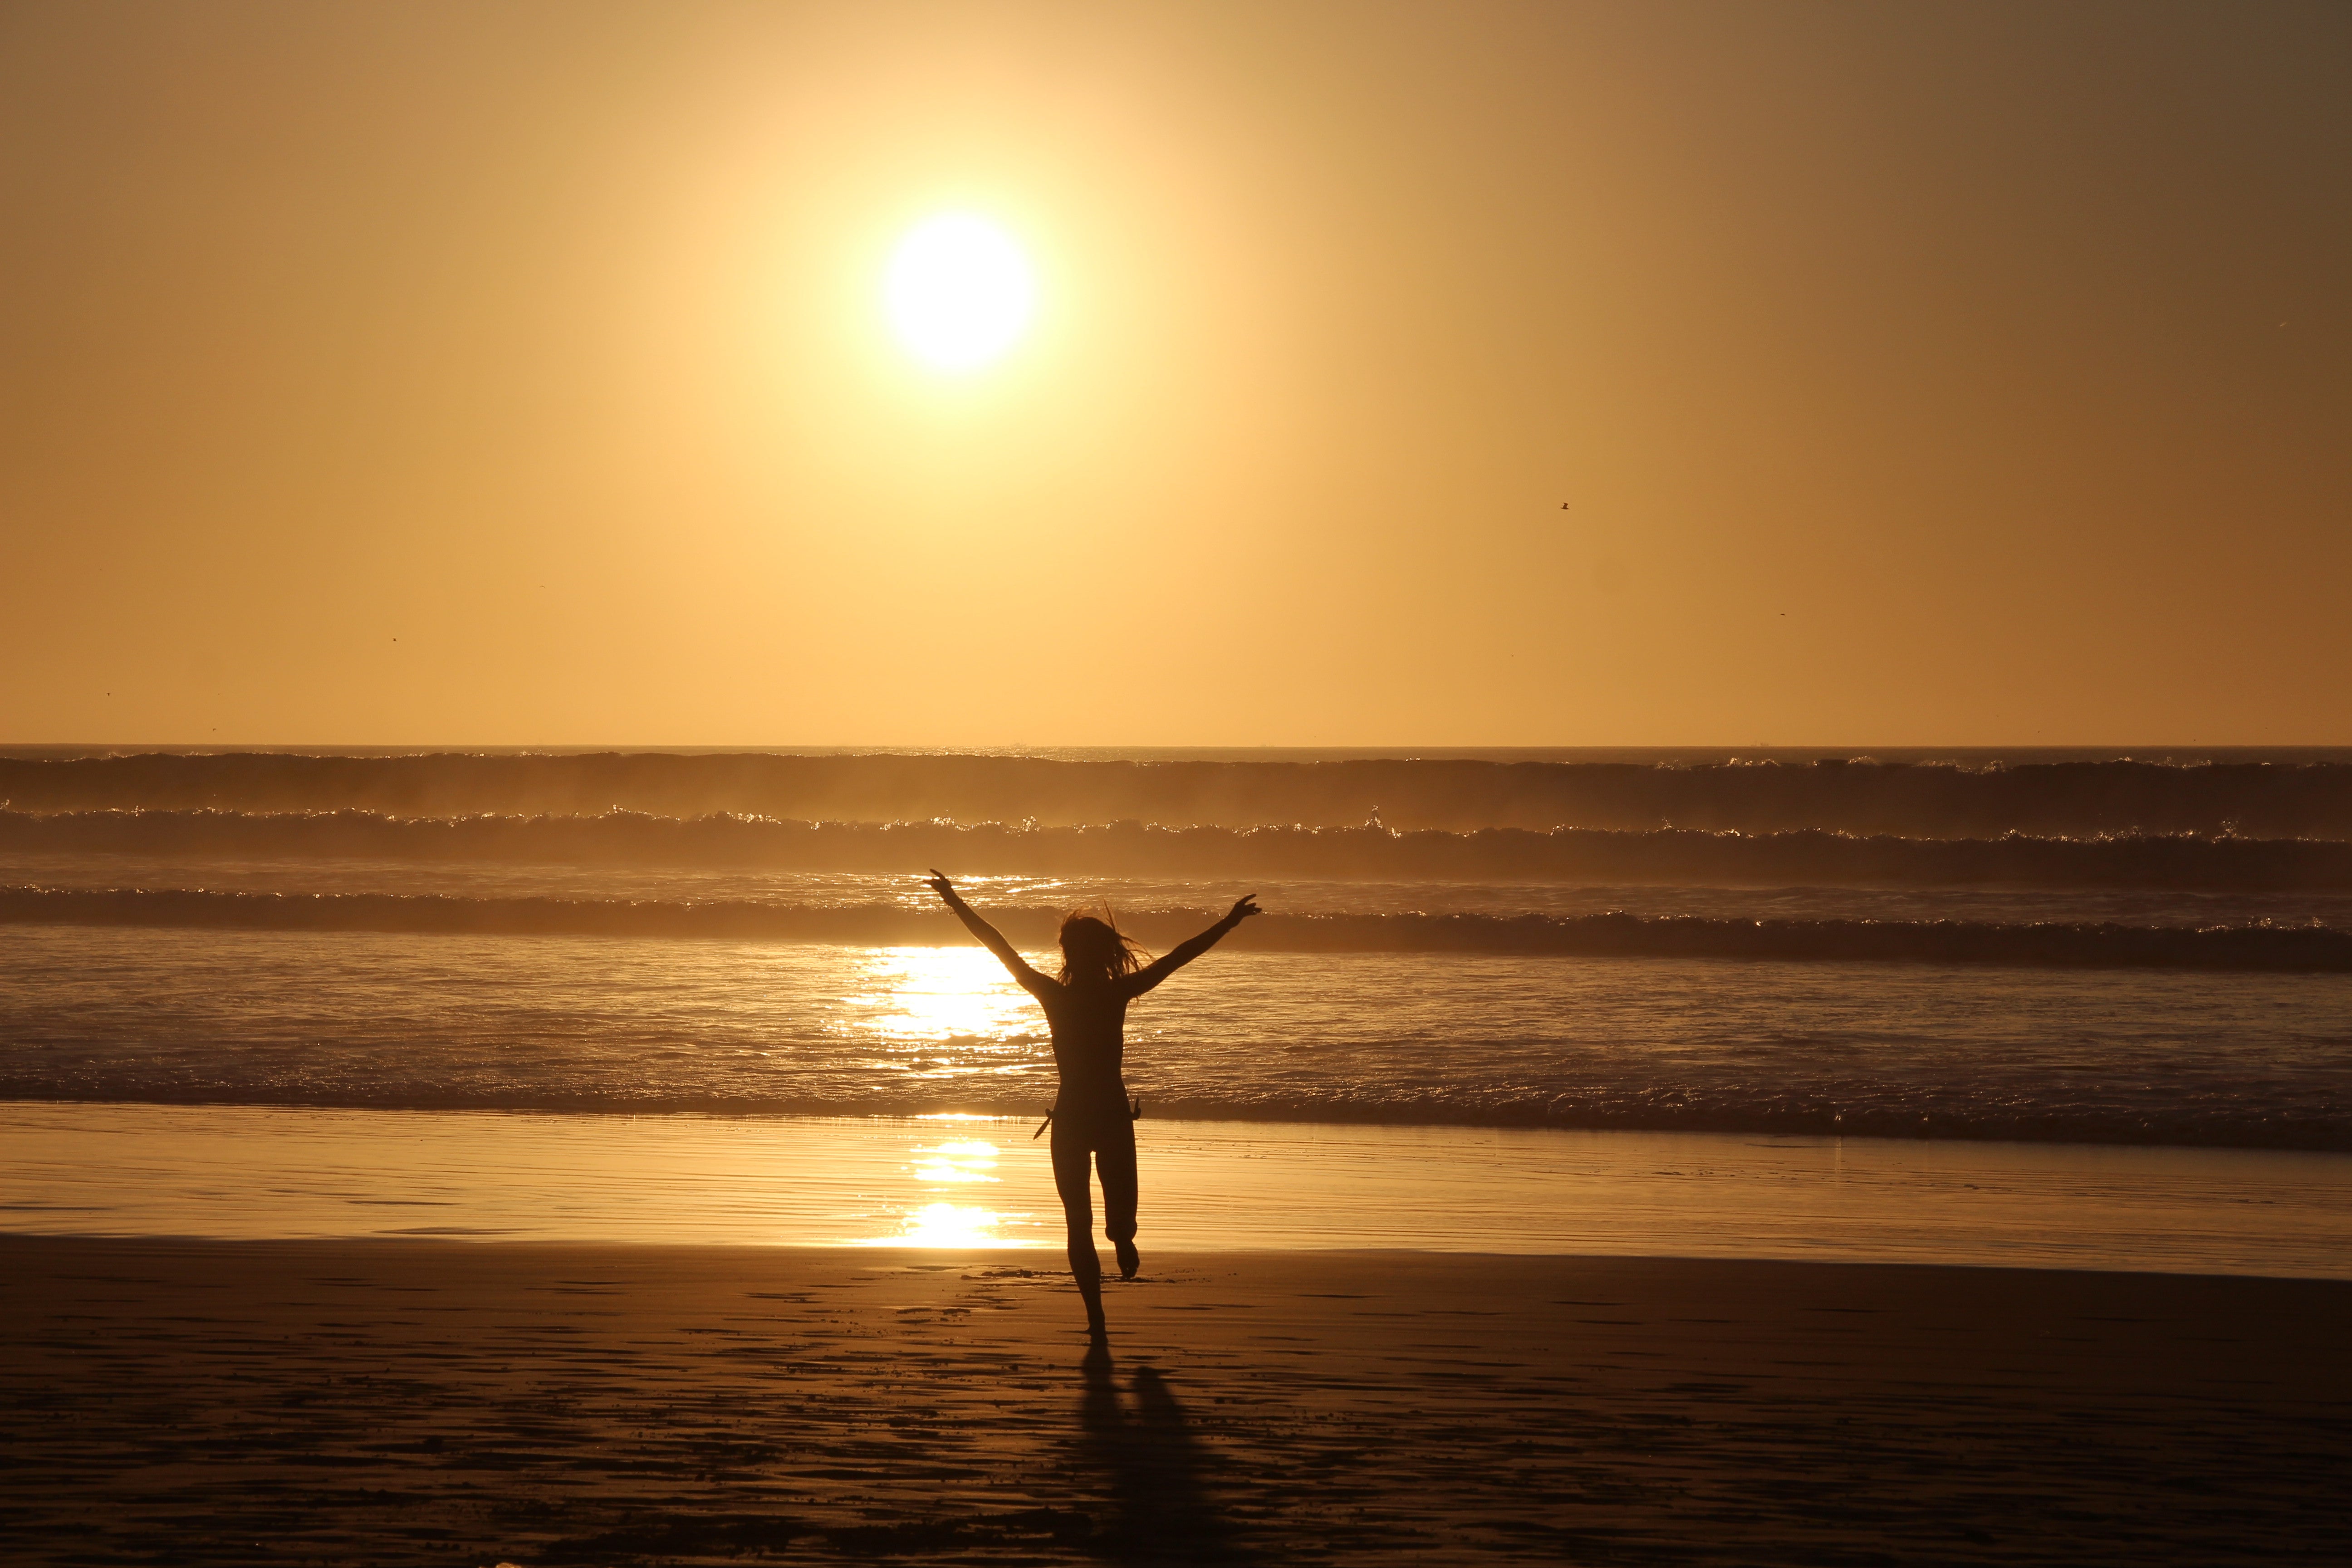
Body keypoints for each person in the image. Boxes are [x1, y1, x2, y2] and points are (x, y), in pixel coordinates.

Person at [924, 870, 1260, 1337]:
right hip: (1099, 1118)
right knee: (1083, 1221)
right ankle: (1097, 1315)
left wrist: (1228, 923)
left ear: (1082, 956)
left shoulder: (1071, 994)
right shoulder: (1101, 993)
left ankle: (1116, 1255)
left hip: (1086, 1119)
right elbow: (996, 945)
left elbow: (1177, 958)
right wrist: (953, 899)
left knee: (1101, 1220)